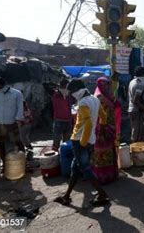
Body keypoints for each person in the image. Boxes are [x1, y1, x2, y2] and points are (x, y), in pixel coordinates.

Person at [55, 79, 109, 207]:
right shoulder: (95, 99)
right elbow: (104, 116)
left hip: (80, 141)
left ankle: (102, 194)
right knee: (75, 167)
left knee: (85, 169)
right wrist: (100, 128)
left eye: (72, 92)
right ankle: (66, 196)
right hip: (90, 140)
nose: (71, 94)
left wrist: (83, 143)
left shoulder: (83, 103)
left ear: (78, 91)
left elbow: (89, 123)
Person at [92, 77, 121, 184]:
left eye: (108, 85)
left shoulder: (109, 95)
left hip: (109, 127)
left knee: (109, 150)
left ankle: (111, 174)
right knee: (101, 151)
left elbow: (114, 106)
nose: (107, 87)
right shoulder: (98, 97)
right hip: (101, 129)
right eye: (105, 85)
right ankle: (101, 176)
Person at [128, 67, 144, 142]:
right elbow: (136, 101)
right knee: (138, 132)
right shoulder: (139, 84)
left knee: (134, 129)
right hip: (136, 110)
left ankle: (134, 148)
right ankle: (136, 149)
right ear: (143, 75)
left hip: (131, 109)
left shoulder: (132, 81)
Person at [52, 79, 74, 151]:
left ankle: (64, 154)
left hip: (68, 120)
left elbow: (71, 104)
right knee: (57, 139)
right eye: (66, 86)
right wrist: (58, 89)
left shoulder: (69, 95)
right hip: (59, 120)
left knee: (66, 140)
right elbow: (45, 85)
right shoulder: (56, 94)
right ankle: (55, 155)